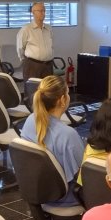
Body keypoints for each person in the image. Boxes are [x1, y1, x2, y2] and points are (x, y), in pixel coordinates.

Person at [20, 75, 84, 206]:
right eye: (67, 92)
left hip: (38, 190)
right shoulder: (68, 135)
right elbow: (84, 176)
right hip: (65, 197)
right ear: (62, 100)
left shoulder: (30, 120)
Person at [16, 2, 54, 80]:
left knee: (48, 91)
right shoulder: (26, 29)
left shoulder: (49, 28)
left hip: (48, 65)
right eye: (40, 11)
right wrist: (28, 61)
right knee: (32, 90)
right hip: (32, 65)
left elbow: (51, 46)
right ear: (33, 12)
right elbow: (20, 48)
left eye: (44, 11)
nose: (43, 13)